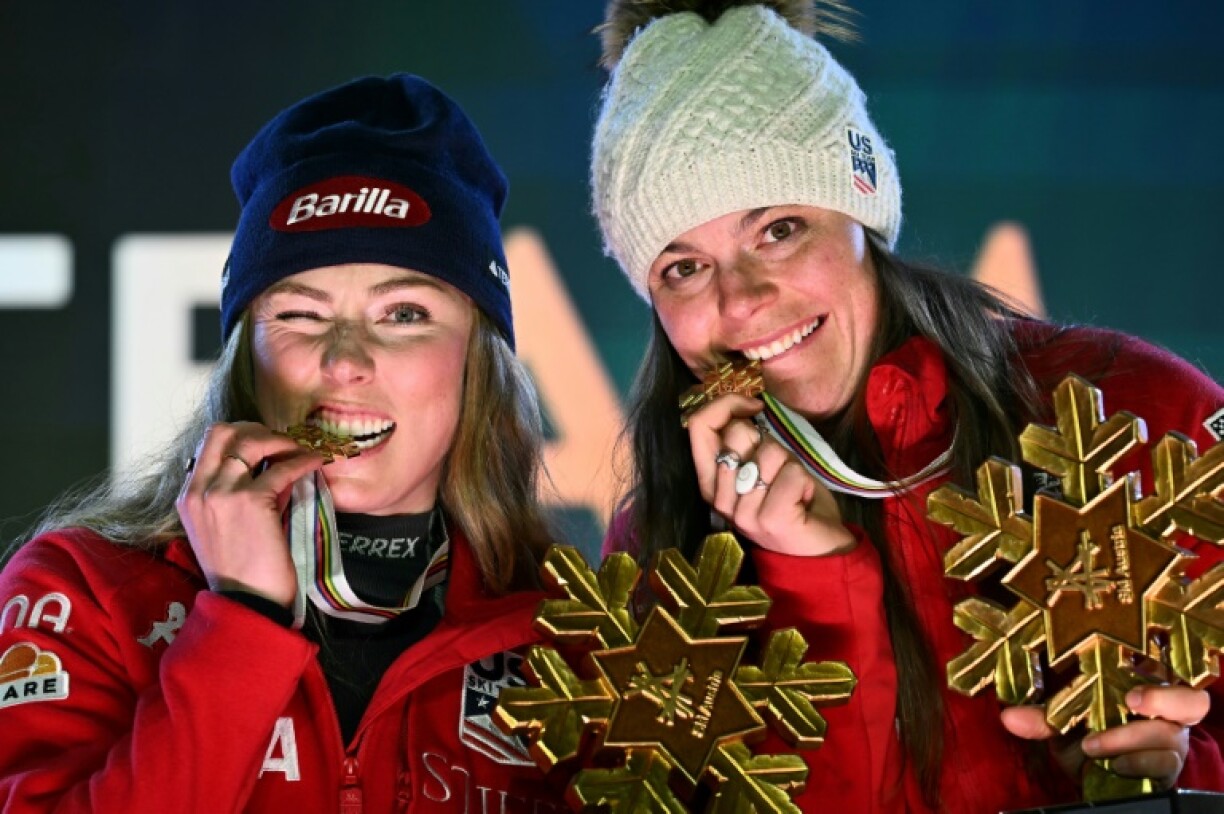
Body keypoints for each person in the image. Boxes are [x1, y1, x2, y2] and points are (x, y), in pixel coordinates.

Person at [590, 1, 1224, 811]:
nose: (743, 302)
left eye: (779, 229)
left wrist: (1180, 779)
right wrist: (813, 585)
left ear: (862, 212)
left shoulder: (1130, 411)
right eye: (682, 268)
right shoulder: (658, 552)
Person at [0, 74, 569, 812]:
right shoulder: (81, 593)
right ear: (244, 360)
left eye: (403, 314)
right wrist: (241, 621)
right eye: (300, 313)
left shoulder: (563, 632)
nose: (344, 359)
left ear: (476, 363)